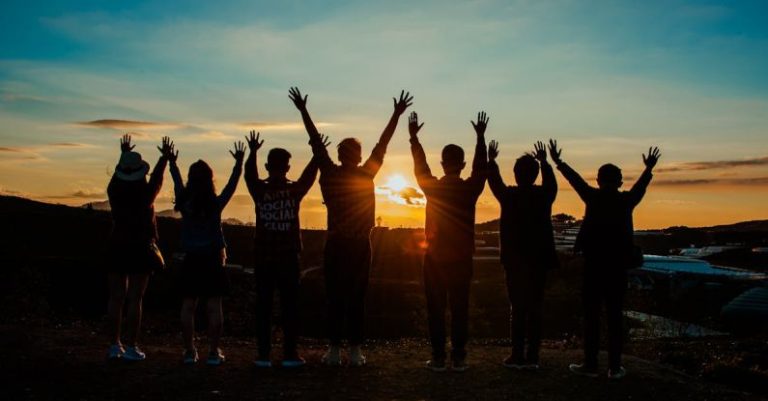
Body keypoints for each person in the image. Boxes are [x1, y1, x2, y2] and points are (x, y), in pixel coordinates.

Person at [288, 86, 413, 366]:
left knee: (335, 298)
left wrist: (304, 111)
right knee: (357, 298)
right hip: (359, 245)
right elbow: (383, 144)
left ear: (340, 154)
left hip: (336, 243)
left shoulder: (330, 173)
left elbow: (316, 143)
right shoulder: (367, 174)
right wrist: (395, 114)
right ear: (357, 156)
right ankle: (355, 351)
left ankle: (334, 350)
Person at [549, 140, 661, 380]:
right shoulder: (626, 201)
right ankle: (614, 366)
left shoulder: (593, 197)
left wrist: (558, 162)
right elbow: (640, 187)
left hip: (593, 265)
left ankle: (590, 364)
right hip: (617, 267)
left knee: (591, 316)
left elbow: (575, 180)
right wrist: (648, 169)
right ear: (620, 181)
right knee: (614, 316)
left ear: (598, 180)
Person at [408, 110, 488, 372]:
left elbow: (420, 167)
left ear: (442, 164)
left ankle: (439, 357)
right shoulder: (470, 189)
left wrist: (414, 140)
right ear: (462, 164)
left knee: (436, 308)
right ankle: (459, 357)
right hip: (462, 257)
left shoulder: (432, 187)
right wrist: (480, 138)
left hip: (434, 256)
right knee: (459, 307)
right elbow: (481, 169)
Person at [243, 130, 330, 368]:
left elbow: (249, 175)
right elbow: (309, 177)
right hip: (289, 256)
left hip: (263, 256)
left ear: (268, 165)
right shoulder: (294, 191)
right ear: (288, 167)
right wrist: (316, 154)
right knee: (290, 306)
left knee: (264, 306)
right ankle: (290, 354)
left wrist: (251, 152)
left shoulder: (259, 190)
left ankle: (263, 355)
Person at [169, 141, 245, 366]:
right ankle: (213, 351)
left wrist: (172, 162)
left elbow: (176, 182)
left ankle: (189, 351)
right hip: (213, 259)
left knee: (188, 306)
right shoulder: (215, 204)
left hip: (192, 258)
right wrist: (238, 164)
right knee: (214, 306)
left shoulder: (184, 202)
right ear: (210, 179)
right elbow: (232, 185)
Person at [487, 140, 558, 370]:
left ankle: (516, 355)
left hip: (514, 261)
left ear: (516, 174)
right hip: (539, 260)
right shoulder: (544, 196)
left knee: (517, 308)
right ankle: (533, 357)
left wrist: (492, 160)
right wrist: (545, 162)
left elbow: (494, 182)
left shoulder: (509, 196)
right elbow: (552, 185)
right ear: (535, 174)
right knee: (535, 308)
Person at [105, 135, 173, 361]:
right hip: (141, 247)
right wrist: (164, 157)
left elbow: (120, 176)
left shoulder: (114, 190)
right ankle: (132, 344)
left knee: (116, 297)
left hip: (117, 244)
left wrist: (123, 154)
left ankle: (114, 344)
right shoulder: (146, 194)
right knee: (136, 298)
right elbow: (158, 179)